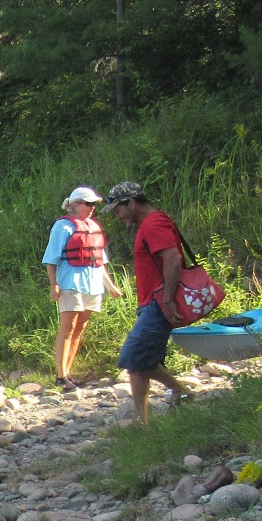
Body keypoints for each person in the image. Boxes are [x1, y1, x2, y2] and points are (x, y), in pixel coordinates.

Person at [103, 181, 190, 424]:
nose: (117, 216)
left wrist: (168, 300)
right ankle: (142, 421)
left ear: (131, 203)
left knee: (133, 356)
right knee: (137, 364)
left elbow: (172, 258)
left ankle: (181, 390)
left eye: (118, 210)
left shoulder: (153, 223)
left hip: (158, 302)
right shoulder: (150, 224)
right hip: (151, 302)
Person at [42, 187, 124, 389]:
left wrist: (110, 285)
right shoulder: (63, 226)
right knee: (68, 327)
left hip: (93, 284)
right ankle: (61, 376)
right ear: (76, 204)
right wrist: (54, 285)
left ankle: (67, 373)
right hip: (70, 283)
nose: (92, 207)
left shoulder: (93, 226)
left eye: (94, 204)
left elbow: (99, 261)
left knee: (80, 329)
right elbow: (51, 259)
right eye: (88, 204)